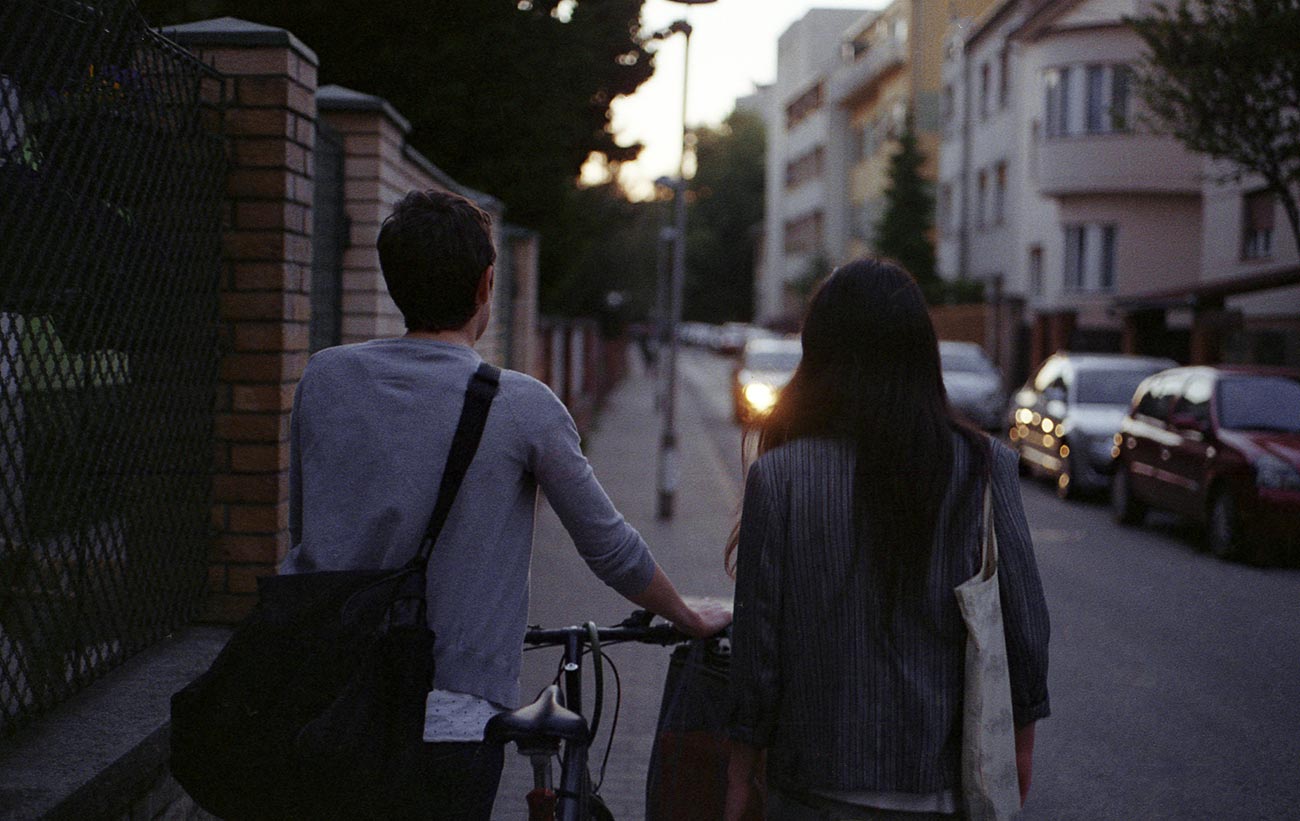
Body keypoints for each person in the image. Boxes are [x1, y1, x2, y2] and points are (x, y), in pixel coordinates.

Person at [282, 189, 731, 820]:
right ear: (488, 284)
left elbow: (306, 532)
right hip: (452, 719)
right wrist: (686, 614)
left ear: (393, 282)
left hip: (324, 706)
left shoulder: (324, 378)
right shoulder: (520, 404)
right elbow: (608, 546)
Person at [723, 259, 1050, 821]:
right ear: (921, 353)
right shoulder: (984, 469)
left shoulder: (780, 479)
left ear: (818, 355)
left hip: (812, 788)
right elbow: (1024, 625)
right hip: (942, 788)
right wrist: (1018, 748)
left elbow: (758, 648)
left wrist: (740, 771)